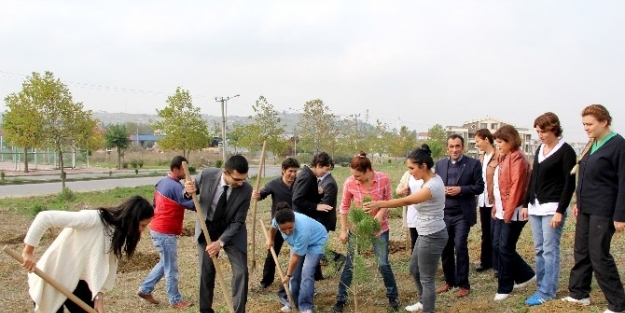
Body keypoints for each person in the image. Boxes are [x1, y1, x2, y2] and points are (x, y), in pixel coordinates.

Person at [21, 196, 154, 313]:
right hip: (53, 275)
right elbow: (44, 218)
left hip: (78, 281)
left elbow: (106, 269)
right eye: (142, 225)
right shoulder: (93, 219)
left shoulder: (119, 236)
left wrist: (98, 297)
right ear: (132, 218)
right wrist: (28, 252)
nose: (142, 231)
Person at [365, 144, 448, 313]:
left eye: (412, 168)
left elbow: (407, 201)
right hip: (426, 233)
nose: (410, 172)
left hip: (433, 235)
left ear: (423, 166)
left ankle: (427, 308)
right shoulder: (430, 180)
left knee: (427, 279)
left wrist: (380, 203)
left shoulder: (432, 186)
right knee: (414, 269)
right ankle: (423, 301)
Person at [562, 104, 625, 313]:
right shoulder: (591, 144)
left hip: (604, 209)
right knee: (581, 251)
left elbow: (624, 182)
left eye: (590, 124)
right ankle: (579, 293)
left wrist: (620, 215)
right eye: (583, 124)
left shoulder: (618, 145)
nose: (586, 128)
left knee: (598, 253)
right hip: (587, 207)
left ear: (604, 122)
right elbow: (583, 175)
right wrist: (579, 203)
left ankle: (617, 303)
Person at [332, 152, 400, 313]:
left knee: (383, 263)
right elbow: (344, 207)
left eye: (358, 175)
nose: (355, 179)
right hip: (357, 229)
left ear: (367, 170)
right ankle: (341, 299)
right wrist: (343, 230)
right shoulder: (350, 183)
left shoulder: (383, 179)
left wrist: (379, 214)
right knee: (351, 264)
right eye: (353, 176)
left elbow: (389, 201)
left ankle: (393, 297)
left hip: (380, 229)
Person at [519, 113, 576, 306]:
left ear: (553, 128)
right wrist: (527, 203)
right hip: (536, 207)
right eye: (537, 131)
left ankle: (547, 291)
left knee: (550, 250)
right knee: (539, 249)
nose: (540, 135)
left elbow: (569, 183)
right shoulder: (540, 149)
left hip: (553, 207)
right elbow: (533, 179)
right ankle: (542, 286)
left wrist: (560, 210)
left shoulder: (566, 151)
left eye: (543, 131)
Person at [184, 155, 253, 313]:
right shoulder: (207, 175)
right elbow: (190, 192)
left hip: (232, 232)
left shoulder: (246, 190)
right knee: (206, 271)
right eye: (237, 179)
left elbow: (238, 221)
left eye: (244, 178)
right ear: (225, 172)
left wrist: (220, 242)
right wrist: (188, 191)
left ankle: (238, 310)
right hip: (207, 228)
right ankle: (205, 309)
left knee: (241, 271)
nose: (241, 183)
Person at [137, 156, 195, 309]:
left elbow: (155, 203)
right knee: (171, 268)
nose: (186, 172)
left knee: (165, 263)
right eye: (184, 169)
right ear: (176, 169)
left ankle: (145, 289)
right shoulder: (175, 187)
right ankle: (175, 301)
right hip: (165, 232)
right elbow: (192, 205)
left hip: (158, 229)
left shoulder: (162, 182)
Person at [434, 134, 484, 298]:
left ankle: (463, 284)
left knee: (460, 245)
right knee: (445, 247)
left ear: (463, 147)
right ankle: (450, 281)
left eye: (457, 146)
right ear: (447, 148)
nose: (454, 149)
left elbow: (479, 187)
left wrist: (460, 190)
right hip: (444, 213)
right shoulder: (440, 165)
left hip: (462, 213)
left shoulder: (473, 164)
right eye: (451, 146)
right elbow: (435, 185)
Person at [492, 125, 535, 301]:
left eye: (500, 142)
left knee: (505, 247)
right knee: (498, 245)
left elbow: (517, 188)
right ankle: (525, 274)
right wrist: (497, 204)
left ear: (510, 141)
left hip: (514, 211)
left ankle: (505, 286)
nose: (498, 145)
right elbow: (499, 185)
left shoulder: (518, 159)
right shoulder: (504, 157)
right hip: (503, 209)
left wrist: (508, 212)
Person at [268, 202, 328, 313]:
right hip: (297, 244)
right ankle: (292, 303)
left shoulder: (302, 230)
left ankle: (305, 307)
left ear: (294, 221)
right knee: (295, 275)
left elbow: (296, 257)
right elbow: (272, 228)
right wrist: (270, 239)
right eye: (283, 230)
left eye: (290, 228)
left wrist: (287, 275)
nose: (287, 232)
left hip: (316, 242)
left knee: (307, 273)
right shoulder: (278, 219)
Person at [252, 157, 300, 290]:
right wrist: (257, 195)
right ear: (283, 170)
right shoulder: (274, 184)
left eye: (295, 171)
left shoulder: (299, 183)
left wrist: (318, 190)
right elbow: (262, 194)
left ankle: (312, 275)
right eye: (290, 171)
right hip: (278, 225)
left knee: (300, 251)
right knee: (272, 252)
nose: (293, 174)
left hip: (296, 225)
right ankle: (266, 280)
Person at [291, 151, 334, 281]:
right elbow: (297, 199)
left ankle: (300, 285)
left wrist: (318, 193)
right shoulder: (306, 176)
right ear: (319, 165)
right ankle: (289, 290)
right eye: (326, 169)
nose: (326, 173)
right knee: (298, 257)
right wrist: (316, 206)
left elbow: (305, 195)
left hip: (305, 219)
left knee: (303, 256)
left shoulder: (310, 176)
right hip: (301, 219)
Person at [474, 129, 499, 275]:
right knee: (485, 233)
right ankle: (486, 261)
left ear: (486, 140)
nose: (477, 144)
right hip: (483, 200)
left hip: (495, 201)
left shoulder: (499, 156)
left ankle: (497, 264)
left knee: (495, 233)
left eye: (478, 141)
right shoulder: (481, 158)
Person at [317, 162, 346, 274]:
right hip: (320, 220)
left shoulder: (329, 183)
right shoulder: (321, 181)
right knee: (316, 245)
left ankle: (338, 258)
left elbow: (325, 204)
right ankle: (317, 273)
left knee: (316, 246)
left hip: (323, 220)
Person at [396, 170, 424, 253]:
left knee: (426, 240)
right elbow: (398, 190)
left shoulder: (431, 172)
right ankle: (415, 263)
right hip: (412, 211)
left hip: (427, 212)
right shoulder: (408, 174)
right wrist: (402, 191)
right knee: (414, 239)